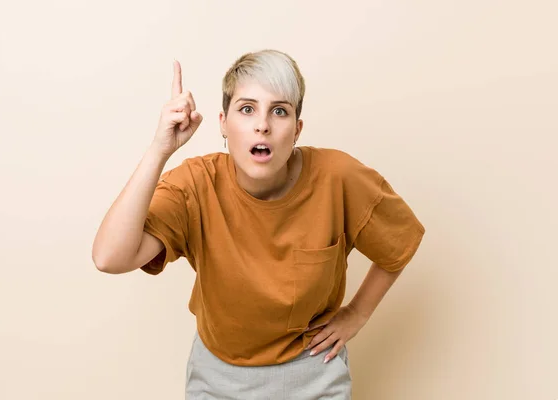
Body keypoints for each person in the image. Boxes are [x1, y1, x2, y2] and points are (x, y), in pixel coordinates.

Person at [92, 49, 425, 399]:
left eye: (279, 111)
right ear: (223, 122)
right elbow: (109, 258)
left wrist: (357, 313)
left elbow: (398, 243)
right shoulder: (195, 184)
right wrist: (160, 149)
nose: (262, 124)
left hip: (312, 372)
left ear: (296, 130)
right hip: (218, 377)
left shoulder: (338, 178)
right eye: (247, 109)